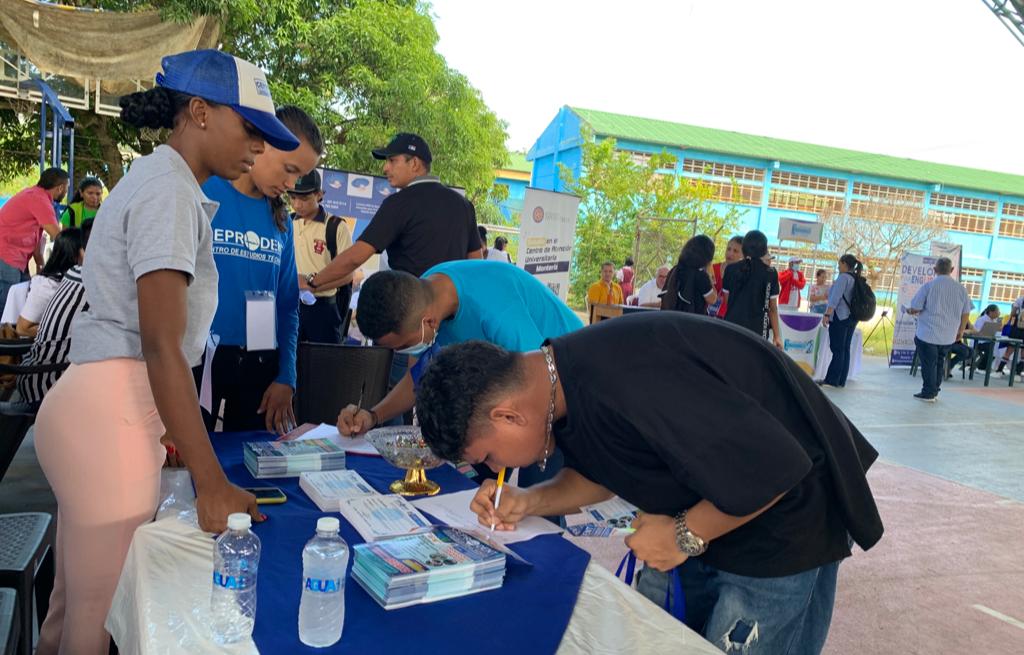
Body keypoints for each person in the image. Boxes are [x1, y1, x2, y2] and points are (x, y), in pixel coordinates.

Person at [414, 312, 883, 655]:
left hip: (785, 517)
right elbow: (601, 469)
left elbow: (776, 467)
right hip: (714, 503)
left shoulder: (629, 381)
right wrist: (529, 499)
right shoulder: (557, 384)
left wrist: (685, 534)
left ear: (508, 415)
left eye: (489, 457)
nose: (494, 468)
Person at [32, 49, 295, 654]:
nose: (258, 148)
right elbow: (160, 343)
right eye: (249, 128)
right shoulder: (170, 192)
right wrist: (211, 483)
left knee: (71, 611)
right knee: (94, 627)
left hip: (105, 409)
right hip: (112, 415)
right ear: (199, 112)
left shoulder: (162, 182)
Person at [337, 260, 583, 490]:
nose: (401, 353)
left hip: (561, 390)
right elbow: (421, 378)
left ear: (429, 322)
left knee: (536, 495)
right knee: (474, 482)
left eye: (402, 347)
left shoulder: (498, 313)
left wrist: (503, 456)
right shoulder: (420, 295)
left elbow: (540, 393)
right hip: (507, 392)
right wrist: (373, 415)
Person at [200, 105, 322, 434]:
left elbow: (286, 305)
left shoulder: (279, 222)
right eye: (289, 169)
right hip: (201, 359)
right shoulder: (204, 193)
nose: (291, 183)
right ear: (262, 143)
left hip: (259, 361)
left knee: (252, 464)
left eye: (299, 176)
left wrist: (287, 376)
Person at [302, 132, 482, 292]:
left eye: (392, 160)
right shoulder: (463, 205)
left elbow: (355, 257)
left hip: (411, 312)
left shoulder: (400, 203)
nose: (385, 168)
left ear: (414, 163)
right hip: (453, 314)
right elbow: (475, 264)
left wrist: (312, 281)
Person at [15, 224, 92, 409]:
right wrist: (57, 331)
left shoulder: (69, 278)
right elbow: (22, 328)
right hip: (44, 378)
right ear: (78, 253)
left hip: (40, 369)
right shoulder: (50, 284)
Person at [289, 169, 353, 344]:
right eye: (293, 198)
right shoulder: (286, 223)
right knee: (288, 360)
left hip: (323, 308)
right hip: (289, 305)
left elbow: (347, 275)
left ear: (319, 194)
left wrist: (312, 286)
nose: (297, 204)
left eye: (304, 198)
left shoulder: (336, 227)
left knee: (323, 364)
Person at [905, 256, 972, 402]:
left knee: (929, 363)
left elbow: (916, 307)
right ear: (952, 270)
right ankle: (935, 390)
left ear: (935, 270)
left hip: (928, 333)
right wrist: (961, 330)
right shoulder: (961, 289)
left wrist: (911, 310)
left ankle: (928, 392)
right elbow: (966, 312)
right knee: (940, 361)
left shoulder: (929, 286)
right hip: (948, 336)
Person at [0, 167, 67, 311]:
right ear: (60, 187)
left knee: (21, 300)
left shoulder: (36, 195)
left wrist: (39, 262)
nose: (66, 192)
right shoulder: (39, 199)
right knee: (8, 305)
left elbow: (36, 233)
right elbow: (58, 236)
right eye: (66, 188)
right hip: (6, 254)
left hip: (16, 257)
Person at [15, 228, 85, 338]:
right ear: (74, 254)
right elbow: (23, 329)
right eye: (86, 249)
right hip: (46, 349)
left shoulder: (82, 280)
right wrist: (67, 330)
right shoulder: (47, 286)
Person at [722, 231, 782, 348]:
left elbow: (727, 301)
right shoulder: (770, 273)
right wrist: (777, 336)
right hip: (758, 330)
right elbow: (772, 309)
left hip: (732, 326)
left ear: (743, 248)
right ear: (764, 250)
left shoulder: (730, 269)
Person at [820, 255, 864, 389]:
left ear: (845, 264)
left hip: (840, 316)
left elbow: (835, 298)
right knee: (845, 348)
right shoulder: (855, 278)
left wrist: (827, 314)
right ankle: (841, 380)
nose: (838, 266)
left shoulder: (843, 278)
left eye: (839, 263)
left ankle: (832, 380)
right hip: (852, 318)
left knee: (837, 349)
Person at [660, 235, 717, 314]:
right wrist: (708, 272)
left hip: (669, 319)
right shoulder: (700, 276)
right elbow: (712, 299)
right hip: (691, 322)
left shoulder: (674, 270)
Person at [707, 235, 742, 317]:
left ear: (743, 255)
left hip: (728, 319)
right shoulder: (712, 269)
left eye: (735, 251)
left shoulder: (743, 276)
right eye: (728, 249)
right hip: (707, 316)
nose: (730, 253)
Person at [995, 293, 1024, 376]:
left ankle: (999, 371)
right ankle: (1017, 373)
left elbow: (1013, 313)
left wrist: (1010, 322)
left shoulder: (1020, 299)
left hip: (1017, 329)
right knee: (1023, 353)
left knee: (1009, 350)